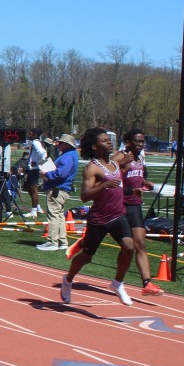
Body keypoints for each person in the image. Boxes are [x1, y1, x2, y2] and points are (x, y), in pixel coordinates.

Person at [61, 128, 136, 306]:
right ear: (95, 147)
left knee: (129, 247)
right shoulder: (92, 168)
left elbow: (124, 159)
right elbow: (84, 196)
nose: (109, 142)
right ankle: (68, 280)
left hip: (118, 215)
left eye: (109, 139)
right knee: (87, 257)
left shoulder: (115, 162)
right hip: (99, 219)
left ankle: (117, 283)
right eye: (104, 140)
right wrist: (104, 185)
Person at [120, 128, 164, 297]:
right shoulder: (120, 157)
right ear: (128, 143)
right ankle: (85, 243)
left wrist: (146, 183)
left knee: (140, 244)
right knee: (126, 246)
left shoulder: (141, 158)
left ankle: (147, 283)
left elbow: (139, 177)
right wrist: (131, 190)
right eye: (137, 141)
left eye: (143, 141)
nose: (141, 144)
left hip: (134, 206)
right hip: (119, 205)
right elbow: (112, 182)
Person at [36, 134, 79, 251]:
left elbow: (61, 173)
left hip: (57, 188)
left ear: (66, 144)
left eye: (60, 143)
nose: (57, 145)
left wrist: (46, 174)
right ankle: (62, 241)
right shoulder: (71, 154)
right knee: (59, 215)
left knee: (53, 215)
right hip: (62, 188)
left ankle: (52, 242)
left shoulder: (67, 156)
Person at [22, 129, 48, 218]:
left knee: (33, 189)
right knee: (28, 187)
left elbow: (42, 153)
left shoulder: (36, 142)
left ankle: (34, 211)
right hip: (32, 168)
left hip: (34, 169)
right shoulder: (36, 142)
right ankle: (38, 207)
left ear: (34, 135)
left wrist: (37, 163)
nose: (28, 135)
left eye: (30, 133)